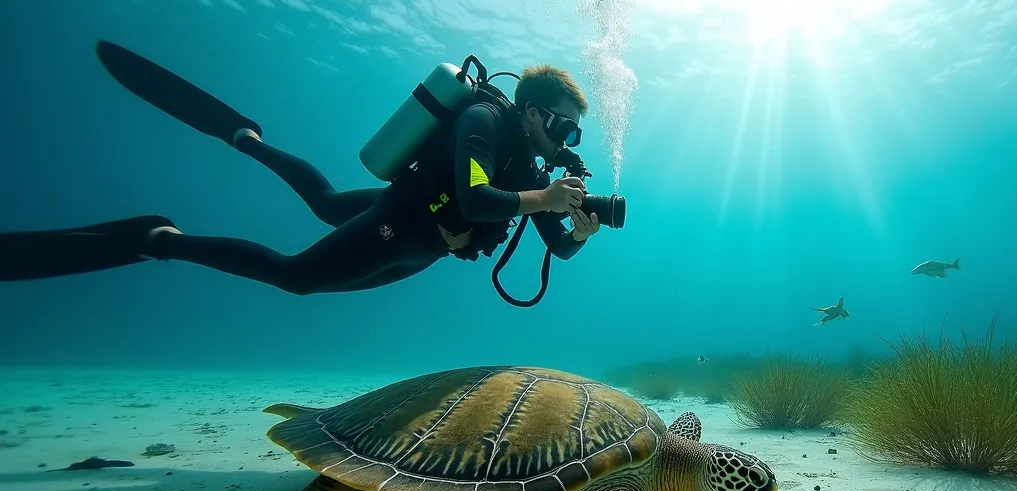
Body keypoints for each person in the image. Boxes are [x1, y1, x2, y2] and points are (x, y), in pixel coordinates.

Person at [0, 41, 604, 295]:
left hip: (426, 246)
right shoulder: (483, 121)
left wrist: (576, 231)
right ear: (530, 113)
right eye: (562, 125)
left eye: (574, 130)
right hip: (408, 217)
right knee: (296, 277)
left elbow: (558, 242)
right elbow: (474, 199)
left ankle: (248, 140)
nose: (566, 139)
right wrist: (545, 199)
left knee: (326, 200)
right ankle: (160, 239)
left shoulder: (528, 162)